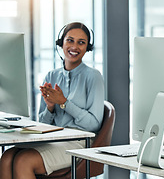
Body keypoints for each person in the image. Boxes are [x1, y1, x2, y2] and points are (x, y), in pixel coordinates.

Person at [0, 22, 104, 179]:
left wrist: (64, 102)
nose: (74, 46)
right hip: (53, 139)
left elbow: (93, 124)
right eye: (70, 40)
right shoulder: (51, 76)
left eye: (81, 42)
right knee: (7, 157)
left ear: (87, 48)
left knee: (23, 161)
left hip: (78, 142)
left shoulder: (93, 76)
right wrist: (49, 107)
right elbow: (43, 124)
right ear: (61, 43)